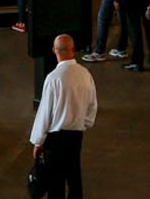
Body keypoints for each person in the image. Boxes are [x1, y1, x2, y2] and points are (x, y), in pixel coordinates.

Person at [31, 34, 98, 198]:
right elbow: (92, 106)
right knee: (74, 176)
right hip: (76, 135)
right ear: (73, 50)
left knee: (56, 182)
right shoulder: (85, 74)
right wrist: (84, 123)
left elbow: (45, 113)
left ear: (54, 51)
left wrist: (38, 141)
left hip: (55, 138)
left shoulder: (53, 78)